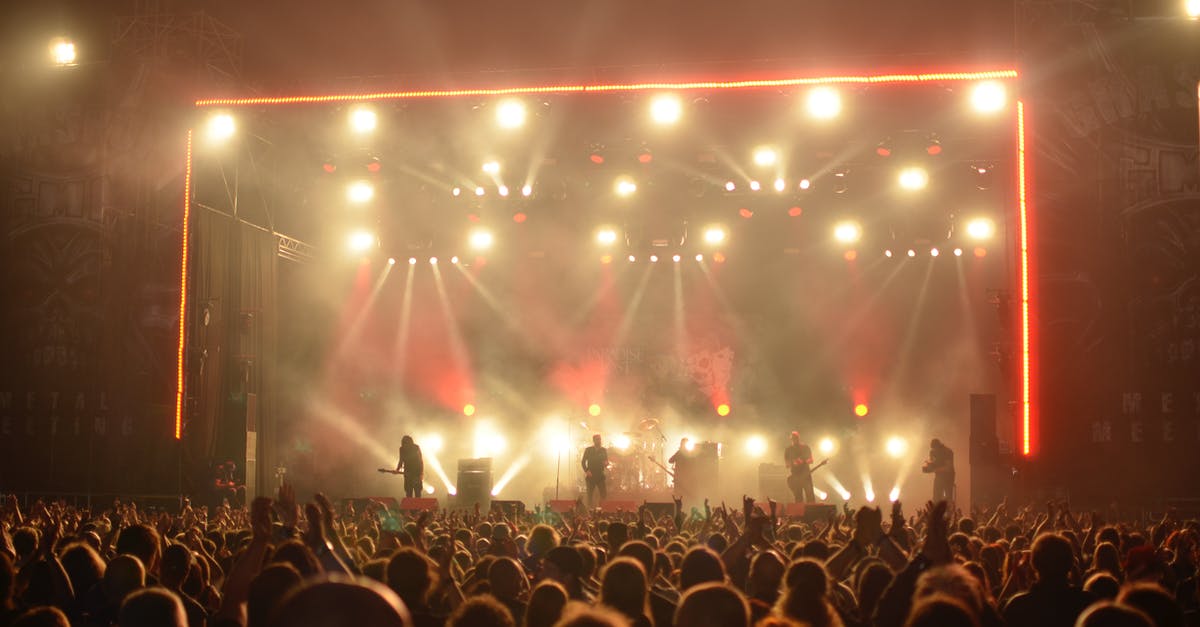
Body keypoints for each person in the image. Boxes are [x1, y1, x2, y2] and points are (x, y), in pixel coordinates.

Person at [783, 432, 815, 503]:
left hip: (806, 475)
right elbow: (787, 465)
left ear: (798, 438)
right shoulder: (788, 450)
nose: (794, 440)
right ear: (791, 439)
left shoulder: (805, 447)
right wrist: (794, 463)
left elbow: (811, 460)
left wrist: (803, 461)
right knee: (798, 496)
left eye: (796, 438)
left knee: (810, 495)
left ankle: (812, 511)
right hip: (795, 476)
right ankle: (799, 512)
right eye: (793, 438)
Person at [921, 439, 955, 504]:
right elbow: (933, 462)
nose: (933, 451)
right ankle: (937, 510)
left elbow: (948, 468)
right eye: (933, 449)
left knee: (948, 497)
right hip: (939, 476)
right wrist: (928, 467)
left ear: (938, 446)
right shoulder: (933, 452)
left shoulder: (947, 452)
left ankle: (948, 511)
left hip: (948, 477)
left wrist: (934, 469)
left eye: (935, 449)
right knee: (936, 496)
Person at [581, 434, 608, 508]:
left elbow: (606, 461)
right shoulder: (588, 450)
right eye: (597, 439)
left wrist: (606, 463)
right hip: (591, 475)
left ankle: (602, 509)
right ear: (594, 441)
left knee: (603, 494)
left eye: (600, 439)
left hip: (600, 475)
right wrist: (587, 471)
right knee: (590, 494)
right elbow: (583, 462)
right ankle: (589, 510)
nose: (599, 441)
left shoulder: (603, 450)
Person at [667, 438, 693, 505]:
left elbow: (670, 460)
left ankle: (677, 505)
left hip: (678, 475)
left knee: (678, 492)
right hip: (685, 476)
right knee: (684, 492)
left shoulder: (679, 452)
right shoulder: (688, 453)